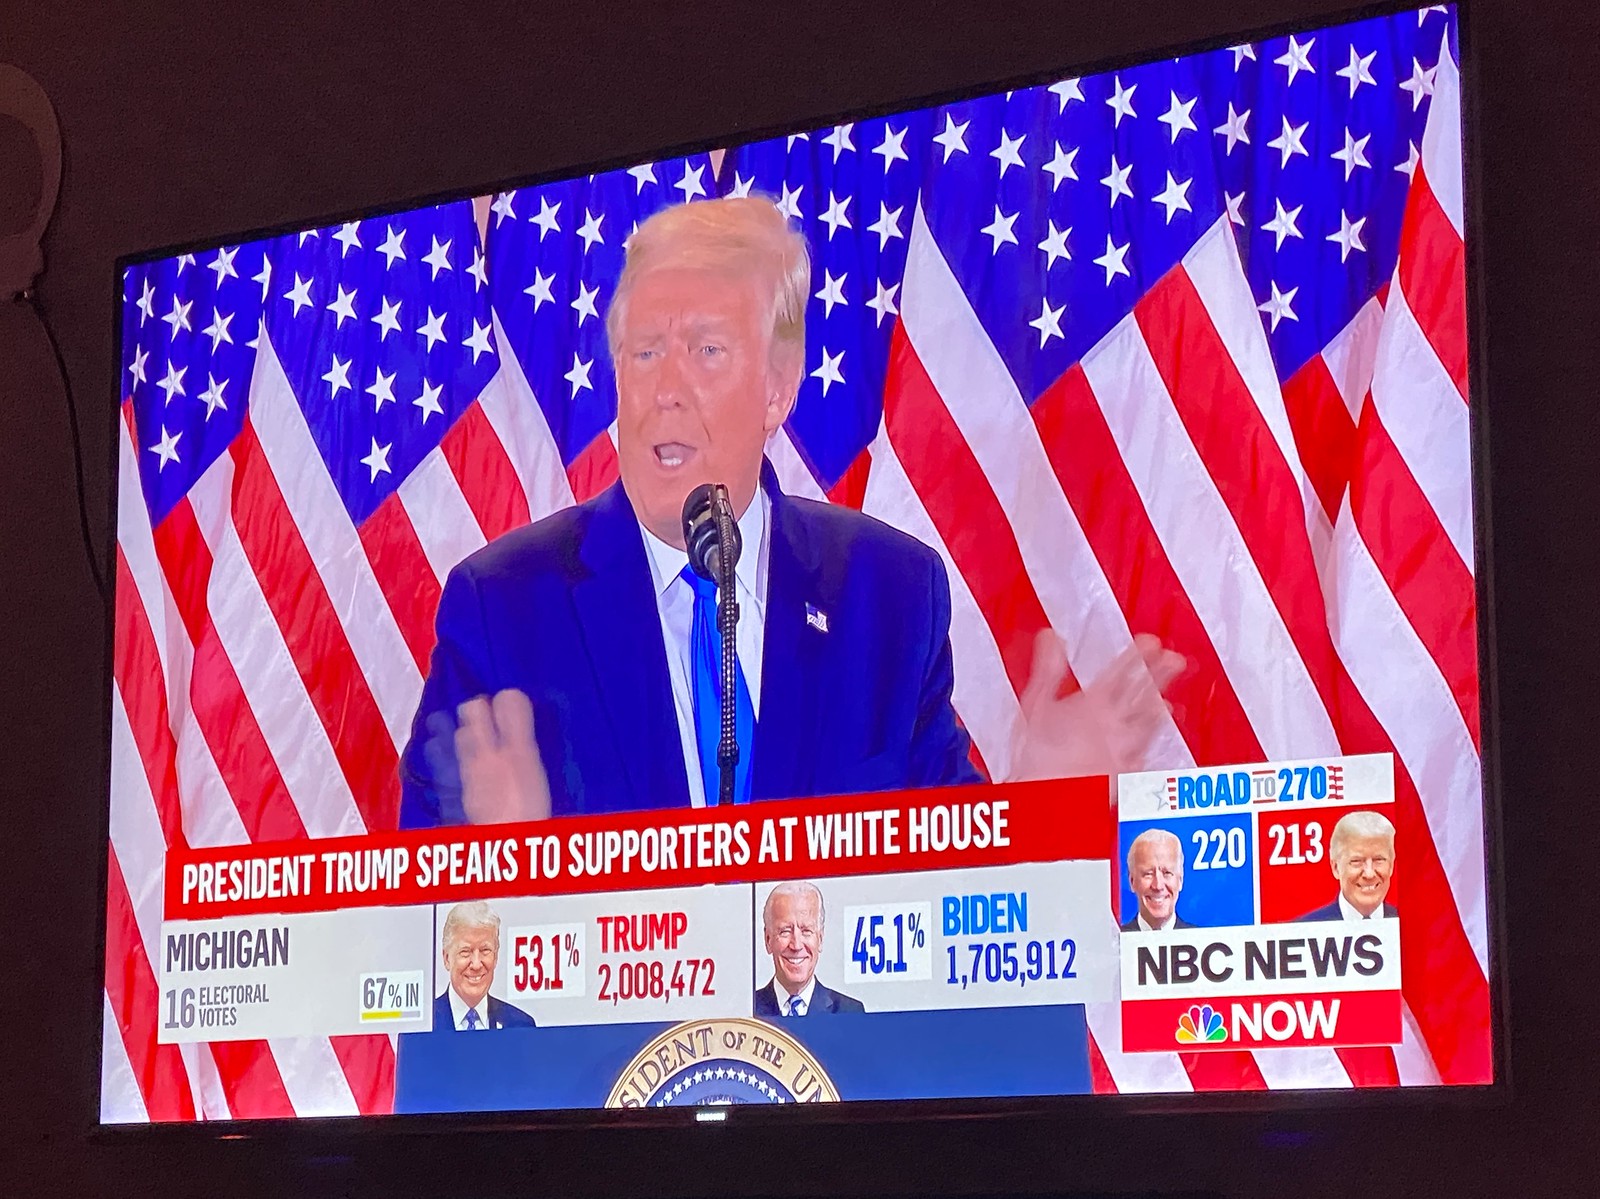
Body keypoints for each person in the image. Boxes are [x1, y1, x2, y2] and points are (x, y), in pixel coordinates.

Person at [398, 196, 1184, 827]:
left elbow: (944, 901)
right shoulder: (504, 606)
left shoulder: (888, 594)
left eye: (706, 351)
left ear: (777, 390)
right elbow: (426, 930)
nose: (665, 389)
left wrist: (1040, 806)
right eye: (644, 352)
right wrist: (505, 863)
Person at [752, 881, 863, 1016]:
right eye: (785, 931)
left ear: (820, 939)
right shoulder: (746, 1011)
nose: (796, 945)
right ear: (768, 939)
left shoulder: (850, 1012)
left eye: (806, 931)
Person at [432, 901, 536, 1031]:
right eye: (465, 951)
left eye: (485, 950)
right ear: (446, 958)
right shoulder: (425, 1025)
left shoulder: (520, 1025)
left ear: (495, 956)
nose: (476, 965)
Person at [1300, 810, 1398, 921]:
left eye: (1379, 860)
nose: (1369, 874)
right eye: (1357, 861)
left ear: (1391, 865)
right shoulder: (1304, 928)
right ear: (1336, 868)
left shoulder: (1409, 923)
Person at [1121, 828, 1192, 932]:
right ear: (1132, 881)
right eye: (1148, 874)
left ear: (1180, 879)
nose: (1158, 886)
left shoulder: (1201, 938)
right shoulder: (1115, 940)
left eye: (1167, 873)